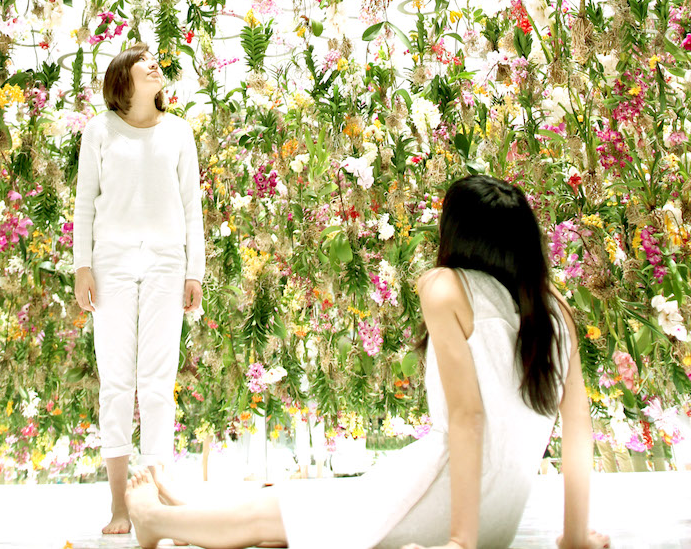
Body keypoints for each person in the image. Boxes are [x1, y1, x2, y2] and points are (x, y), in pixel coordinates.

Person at [124, 174, 611, 549]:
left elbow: (468, 417)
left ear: (458, 233)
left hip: (454, 501)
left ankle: (156, 520)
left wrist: (461, 540)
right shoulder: (553, 310)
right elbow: (578, 434)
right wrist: (574, 536)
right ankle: (187, 505)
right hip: (500, 518)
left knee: (274, 516)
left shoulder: (444, 286)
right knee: (295, 514)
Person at [73, 41, 206, 535]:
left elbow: (192, 207)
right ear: (122, 80)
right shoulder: (99, 130)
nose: (156, 66)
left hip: (168, 264)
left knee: (156, 381)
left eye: (157, 61)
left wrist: (196, 272)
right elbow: (85, 202)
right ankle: (119, 506)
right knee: (116, 382)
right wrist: (81, 266)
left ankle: (153, 498)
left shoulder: (179, 132)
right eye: (144, 62)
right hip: (111, 264)